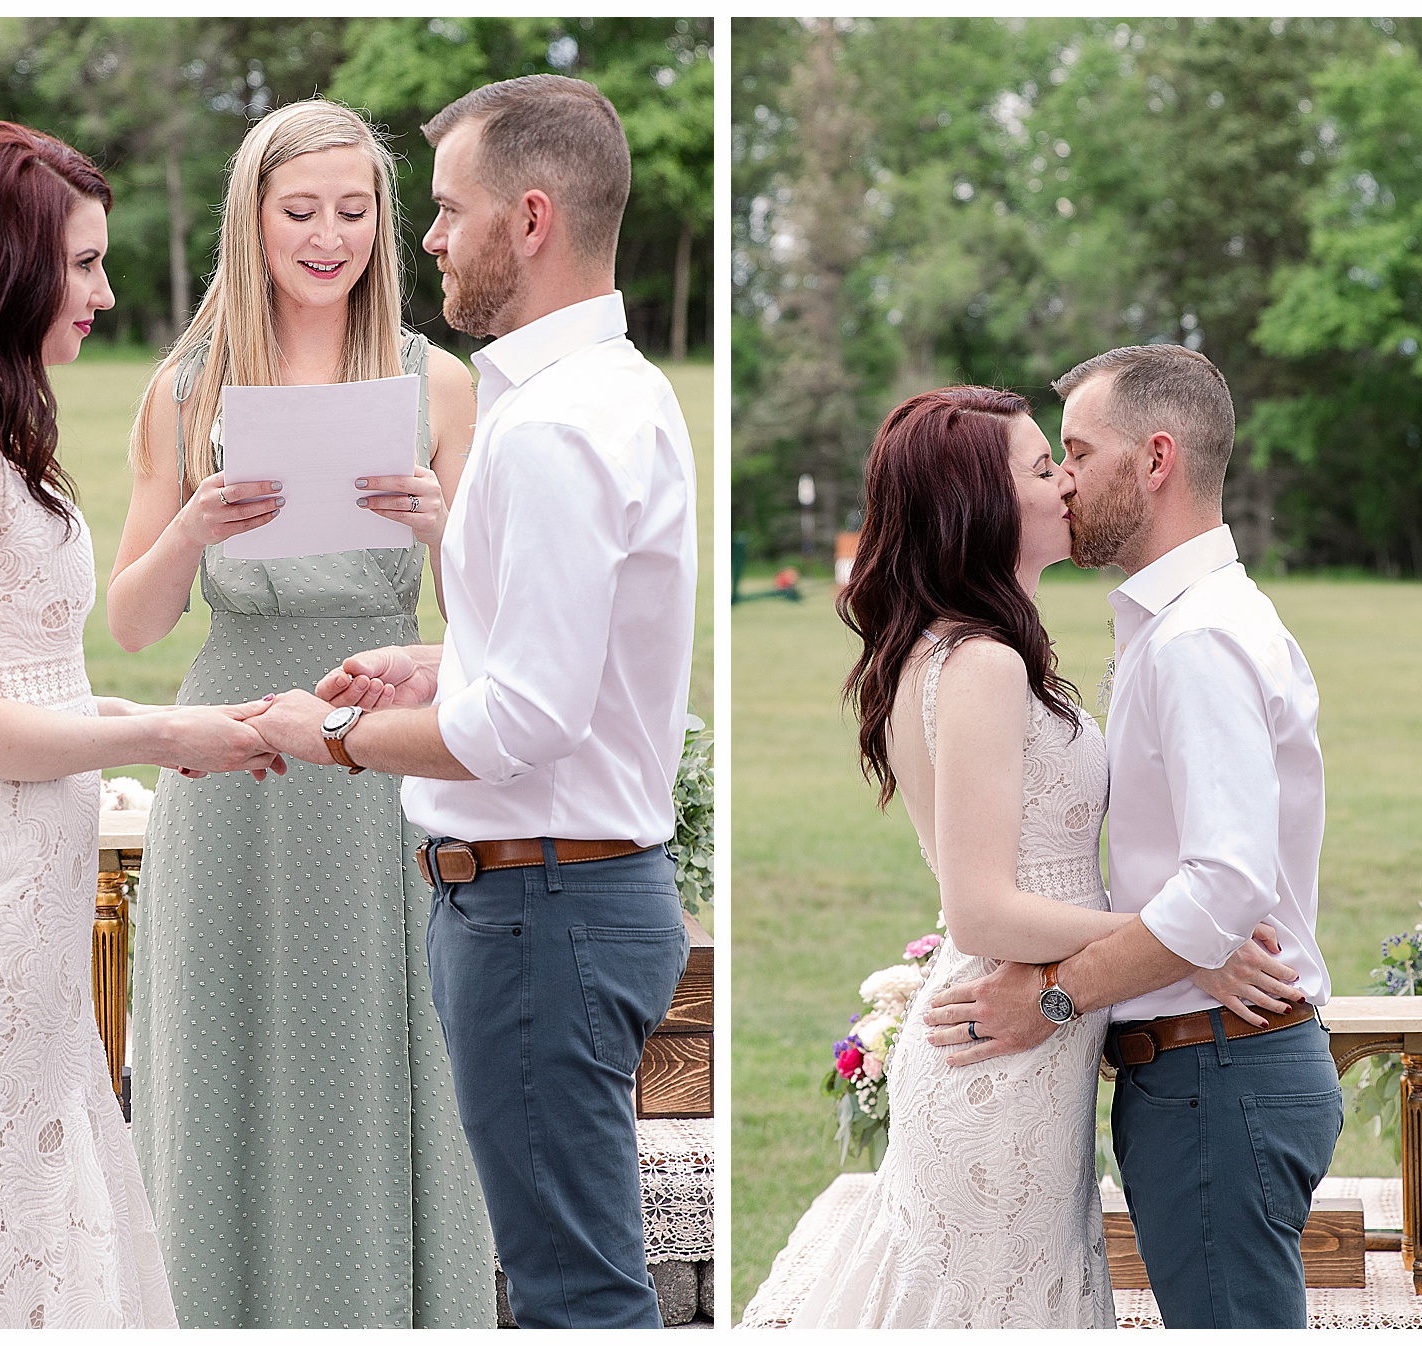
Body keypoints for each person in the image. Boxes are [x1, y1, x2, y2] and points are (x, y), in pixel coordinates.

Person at [247, 75, 698, 1329]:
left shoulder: (554, 426)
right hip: (560, 892)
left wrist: (325, 732)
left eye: (449, 211)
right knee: (573, 1278)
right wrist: (445, 661)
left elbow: (526, 727)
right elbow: (573, 663)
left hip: (541, 905)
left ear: (533, 217)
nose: (428, 237)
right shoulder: (614, 390)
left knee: (574, 1295)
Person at [0, 120, 282, 1329]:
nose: (106, 290)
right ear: (3, 265)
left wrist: (184, 717)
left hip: (18, 897)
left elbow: (31, 686)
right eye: (82, 265)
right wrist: (157, 740)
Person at [761, 386, 1280, 1329]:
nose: (1068, 481)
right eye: (1045, 467)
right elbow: (983, 911)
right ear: (982, 504)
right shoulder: (982, 664)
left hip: (1033, 1049)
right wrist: (1188, 939)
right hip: (1002, 1064)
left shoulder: (972, 648)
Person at [106, 99, 490, 1329]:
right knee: (222, 1051)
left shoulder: (440, 383)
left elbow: (491, 625)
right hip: (232, 750)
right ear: (251, 220)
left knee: (382, 1046)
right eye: (300, 210)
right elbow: (129, 621)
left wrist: (446, 526)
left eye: (355, 209)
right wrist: (193, 526)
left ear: (385, 223)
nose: (329, 235)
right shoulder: (185, 389)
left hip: (381, 740)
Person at [921, 345, 1339, 1329]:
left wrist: (1056, 996)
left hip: (1220, 1074)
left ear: (1154, 460)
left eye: (1079, 449)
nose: (1063, 476)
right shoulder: (1177, 623)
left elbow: (1225, 884)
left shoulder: (1196, 639)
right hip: (1205, 1068)